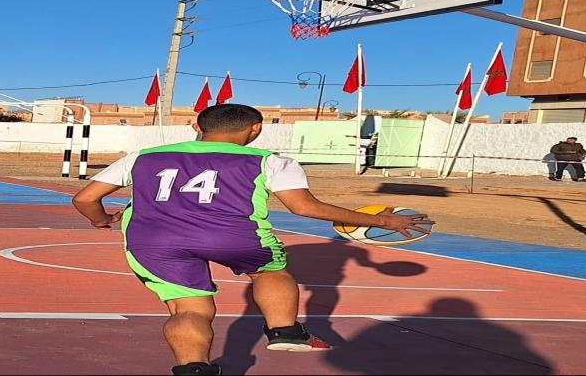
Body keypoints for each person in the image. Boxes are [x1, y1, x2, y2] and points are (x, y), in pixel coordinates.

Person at [72, 104, 434, 376]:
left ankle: (194, 370)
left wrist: (102, 220)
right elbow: (303, 207)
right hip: (234, 234)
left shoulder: (144, 157)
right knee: (270, 272)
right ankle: (285, 330)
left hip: (155, 241)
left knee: (190, 309)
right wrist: (379, 219)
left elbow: (85, 199)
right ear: (256, 130)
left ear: (197, 126)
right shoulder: (270, 160)